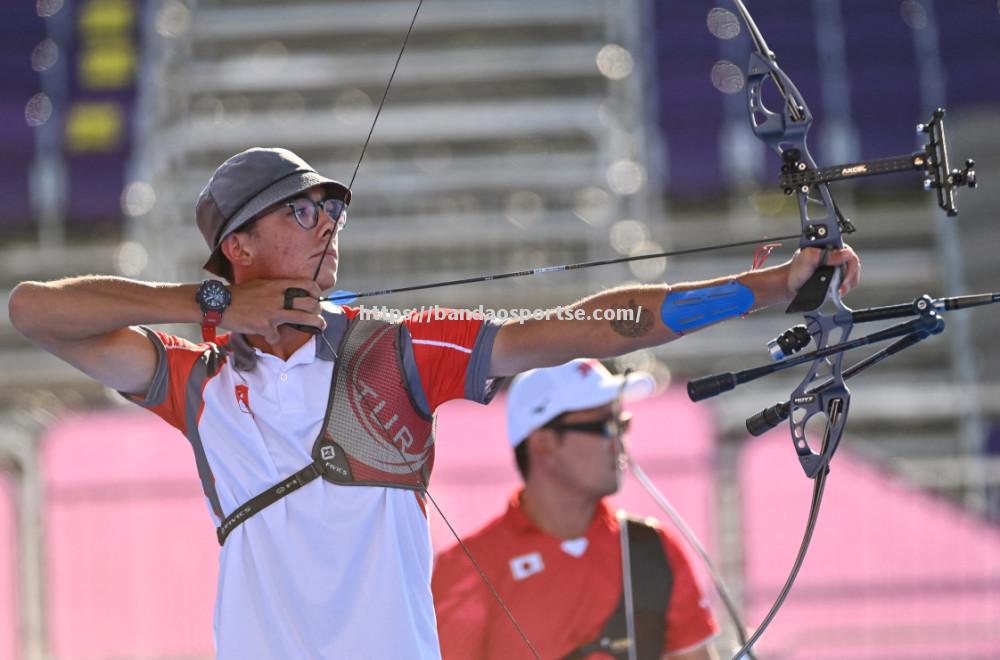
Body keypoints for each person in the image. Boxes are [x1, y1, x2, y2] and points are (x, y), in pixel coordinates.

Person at [7, 147, 859, 659]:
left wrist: (765, 287)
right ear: (239, 245)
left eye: (334, 207)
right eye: (304, 210)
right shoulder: (199, 383)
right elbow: (32, 310)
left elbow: (596, 328)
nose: (329, 223)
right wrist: (212, 308)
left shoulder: (398, 350)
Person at [432, 359, 718, 659]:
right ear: (544, 443)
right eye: (604, 427)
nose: (619, 443)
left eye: (622, 424)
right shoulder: (469, 566)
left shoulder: (651, 547)